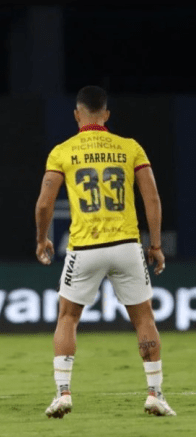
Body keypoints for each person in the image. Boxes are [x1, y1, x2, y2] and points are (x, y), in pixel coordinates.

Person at [35, 85, 176, 418]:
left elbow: (44, 204)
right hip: (126, 245)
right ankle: (155, 394)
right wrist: (156, 245)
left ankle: (63, 394)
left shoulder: (62, 151)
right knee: (144, 318)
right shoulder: (130, 147)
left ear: (77, 115)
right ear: (106, 114)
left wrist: (42, 239)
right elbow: (152, 199)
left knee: (68, 317)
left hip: (84, 247)